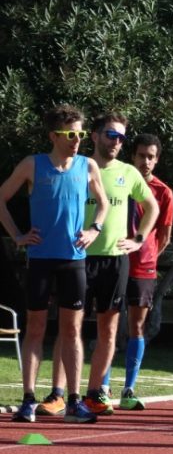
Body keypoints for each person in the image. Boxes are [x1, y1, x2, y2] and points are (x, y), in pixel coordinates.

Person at [47, 112, 159, 417]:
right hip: (77, 258)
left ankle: (95, 392)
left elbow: (153, 206)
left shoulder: (128, 173)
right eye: (111, 135)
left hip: (114, 261)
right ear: (94, 136)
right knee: (70, 328)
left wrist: (137, 239)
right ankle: (58, 393)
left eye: (121, 137)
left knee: (109, 331)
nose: (116, 142)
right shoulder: (77, 166)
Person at [1, 105, 108, 423]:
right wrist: (18, 236)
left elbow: (102, 205)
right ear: (53, 136)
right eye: (69, 134)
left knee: (72, 330)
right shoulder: (32, 165)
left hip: (73, 260)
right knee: (34, 328)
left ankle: (74, 400)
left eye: (79, 134)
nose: (76, 140)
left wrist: (94, 229)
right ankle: (29, 400)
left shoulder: (88, 166)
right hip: (40, 260)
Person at [92, 133, 173, 412]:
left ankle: (129, 388)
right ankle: (102, 387)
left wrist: (146, 253)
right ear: (133, 156)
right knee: (108, 324)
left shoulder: (163, 192)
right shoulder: (120, 178)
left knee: (136, 326)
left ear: (157, 159)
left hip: (142, 266)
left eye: (151, 156)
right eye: (141, 155)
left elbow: (164, 234)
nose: (146, 161)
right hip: (111, 259)